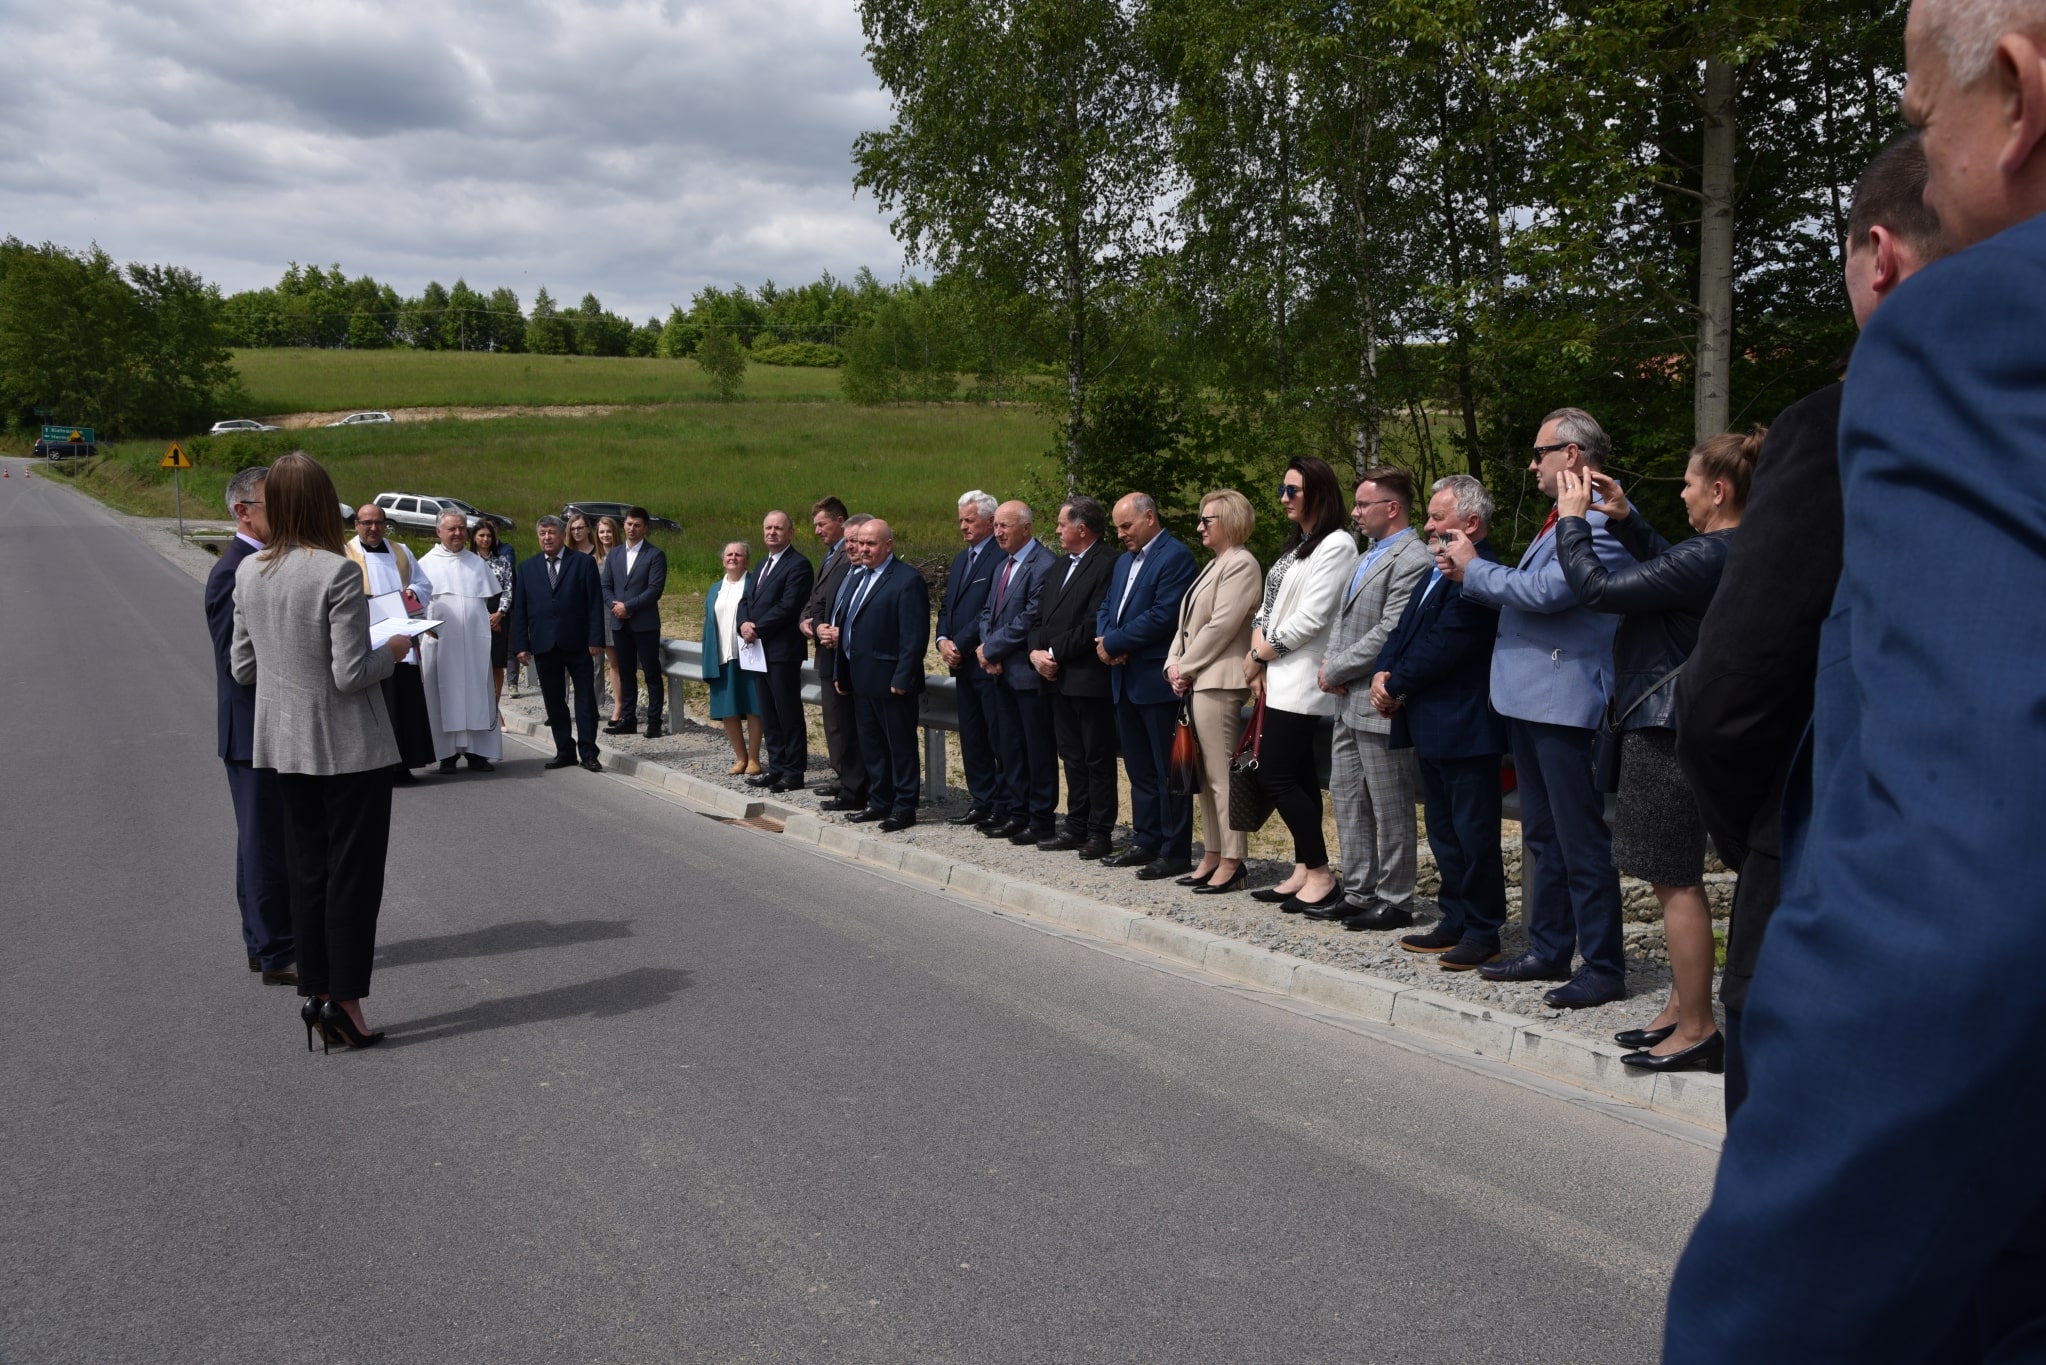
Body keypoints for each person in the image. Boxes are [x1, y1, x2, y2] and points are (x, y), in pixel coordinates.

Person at [1666, 6, 2046, 1354]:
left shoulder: (1963, 343)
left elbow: (1963, 905)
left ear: (2019, 95)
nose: (1924, 158)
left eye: (1922, 116)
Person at [1675, 132, 1945, 1115]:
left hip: (1837, 905)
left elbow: (1728, 698)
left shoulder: (1846, 428)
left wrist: (1767, 837)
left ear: (1881, 258)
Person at [1553, 433, 1753, 1071]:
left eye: (1690, 484)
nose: (1684, 494)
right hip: (1681, 726)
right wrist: (1626, 520)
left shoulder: (1712, 552)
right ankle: (1678, 1007)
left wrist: (1573, 522)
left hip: (1665, 730)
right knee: (1673, 878)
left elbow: (1598, 589)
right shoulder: (1733, 549)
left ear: (1718, 491)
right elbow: (1671, 570)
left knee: (1675, 881)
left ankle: (1696, 1028)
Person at [1441, 408, 1634, 1008]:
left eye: (1539, 453)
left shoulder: (1600, 521)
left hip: (1564, 701)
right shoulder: (1562, 520)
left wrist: (1475, 569)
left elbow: (1550, 593)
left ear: (1571, 454)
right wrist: (1475, 573)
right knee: (1545, 836)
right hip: (1532, 698)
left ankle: (1603, 966)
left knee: (1579, 841)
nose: (1532, 465)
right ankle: (1550, 949)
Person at [228, 452, 411, 1052]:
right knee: (352, 879)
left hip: (284, 745)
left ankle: (316, 992)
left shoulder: (249, 571)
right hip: (349, 747)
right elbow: (351, 672)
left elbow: (243, 667)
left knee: (307, 873)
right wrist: (395, 651)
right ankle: (346, 1004)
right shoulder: (336, 572)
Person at [1371, 476, 1510, 968]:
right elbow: (1402, 630)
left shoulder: (1481, 574)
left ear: (1470, 523)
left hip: (1466, 727)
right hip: (1430, 724)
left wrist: (1396, 686)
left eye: (1437, 517)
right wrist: (1384, 672)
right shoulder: (1438, 568)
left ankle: (1483, 930)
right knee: (1445, 832)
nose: (1428, 526)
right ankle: (1455, 918)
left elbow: (1449, 643)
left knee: (1474, 835)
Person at [1315, 467, 1433, 927]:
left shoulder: (1413, 558)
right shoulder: (1368, 554)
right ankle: (1359, 889)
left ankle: (1396, 899)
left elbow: (1389, 630)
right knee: (1348, 800)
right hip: (1347, 699)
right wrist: (1330, 665)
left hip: (1378, 701)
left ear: (1393, 507)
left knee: (1390, 805)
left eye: (1364, 504)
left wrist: (1336, 669)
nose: (1356, 512)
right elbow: (1342, 621)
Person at [1243, 459, 1360, 912]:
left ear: (1319, 493)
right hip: (1278, 673)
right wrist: (1258, 655)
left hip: (1301, 678)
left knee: (1275, 774)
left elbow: (1312, 619)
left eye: (1293, 490)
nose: (1283, 498)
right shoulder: (1299, 544)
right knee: (1300, 775)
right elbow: (1267, 607)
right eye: (1282, 488)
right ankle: (1303, 869)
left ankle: (1321, 873)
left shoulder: (1337, 545)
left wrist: (1258, 656)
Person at [205, 465, 295, 985]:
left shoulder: (259, 563)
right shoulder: (233, 570)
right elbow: (234, 664)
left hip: (266, 728)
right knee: (264, 844)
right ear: (243, 511)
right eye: (273, 504)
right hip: (252, 730)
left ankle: (265, 944)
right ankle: (275, 951)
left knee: (264, 841)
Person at [1163, 489, 1262, 892]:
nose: (1199, 527)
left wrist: (1185, 667)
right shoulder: (1214, 563)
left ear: (1231, 521)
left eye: (1207, 520)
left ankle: (1234, 860)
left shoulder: (1242, 564)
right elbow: (1186, 624)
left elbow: (1222, 626)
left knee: (1222, 776)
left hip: (1219, 681)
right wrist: (1173, 665)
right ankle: (1213, 853)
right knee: (1204, 777)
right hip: (1198, 680)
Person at [1097, 493, 1199, 878]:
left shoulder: (1175, 557)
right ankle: (1146, 840)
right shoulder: (1124, 561)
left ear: (1150, 517)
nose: (1121, 534)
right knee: (1139, 769)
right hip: (1124, 679)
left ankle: (1174, 851)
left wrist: (1115, 643)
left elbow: (1163, 615)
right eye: (1118, 527)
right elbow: (1107, 607)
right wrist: (1106, 641)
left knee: (1167, 771)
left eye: (1127, 526)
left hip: (1156, 683)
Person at [822, 518, 928, 830]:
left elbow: (913, 637)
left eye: (871, 544)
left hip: (891, 681)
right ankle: (879, 801)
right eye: (861, 543)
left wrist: (903, 677)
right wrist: (842, 672)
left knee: (900, 748)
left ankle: (904, 807)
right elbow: (849, 629)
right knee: (872, 746)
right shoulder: (858, 578)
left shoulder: (906, 580)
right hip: (860, 680)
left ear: (888, 545)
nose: (864, 549)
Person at [1029, 496, 1120, 859]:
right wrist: (1035, 653)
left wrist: (1053, 653)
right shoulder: (1058, 567)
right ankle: (1076, 825)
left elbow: (1093, 622)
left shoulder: (1108, 563)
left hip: (1087, 679)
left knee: (1097, 758)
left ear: (1082, 529)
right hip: (1055, 679)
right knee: (1071, 756)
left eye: (1061, 524)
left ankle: (1099, 831)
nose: (1056, 530)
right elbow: (1039, 618)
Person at [977, 500, 1058, 845]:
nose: (998, 532)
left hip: (1026, 676)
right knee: (1009, 748)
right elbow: (987, 612)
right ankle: (1016, 812)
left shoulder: (1044, 564)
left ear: (1026, 528)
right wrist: (986, 649)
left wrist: (991, 648)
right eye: (995, 525)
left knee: (1036, 752)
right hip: (999, 672)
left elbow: (1029, 618)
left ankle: (1040, 820)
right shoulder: (1002, 565)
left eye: (1004, 526)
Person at [345, 502, 438, 782]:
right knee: (378, 703)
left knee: (404, 703)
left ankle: (403, 764)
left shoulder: (401, 551)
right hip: (368, 638)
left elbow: (424, 584)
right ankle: (375, 766)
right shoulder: (344, 553)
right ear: (356, 525)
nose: (373, 528)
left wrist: (412, 592)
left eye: (378, 523)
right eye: (367, 523)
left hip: (401, 635)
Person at [509, 515, 605, 772]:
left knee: (585, 700)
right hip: (544, 643)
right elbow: (520, 610)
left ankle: (588, 752)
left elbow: (595, 604)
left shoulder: (583, 563)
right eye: (542, 534)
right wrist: (521, 645)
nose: (547, 538)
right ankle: (565, 750)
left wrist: (596, 638)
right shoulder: (527, 568)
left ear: (563, 534)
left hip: (578, 642)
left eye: (551, 532)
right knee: (554, 700)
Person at [935, 491, 1004, 826]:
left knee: (996, 737)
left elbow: (988, 611)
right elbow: (947, 605)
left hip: (986, 663)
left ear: (990, 522)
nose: (963, 526)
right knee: (972, 736)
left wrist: (959, 644)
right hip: (961, 664)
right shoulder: (963, 559)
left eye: (970, 520)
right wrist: (942, 640)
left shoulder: (999, 556)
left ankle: (1003, 805)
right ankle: (981, 800)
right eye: (960, 520)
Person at [419, 510, 505, 773]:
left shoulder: (477, 563)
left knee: (477, 694)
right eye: (451, 529)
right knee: (441, 697)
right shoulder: (425, 564)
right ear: (439, 532)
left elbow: (488, 601)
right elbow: (416, 605)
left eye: (461, 528)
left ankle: (477, 752)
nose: (458, 533)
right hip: (440, 644)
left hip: (474, 645)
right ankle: (446, 755)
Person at [739, 509, 815, 790]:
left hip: (783, 651)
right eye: (768, 528)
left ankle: (794, 772)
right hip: (758, 651)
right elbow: (746, 600)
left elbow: (789, 606)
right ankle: (777, 766)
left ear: (790, 532)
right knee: (768, 712)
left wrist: (757, 628)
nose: (772, 532)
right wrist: (743, 624)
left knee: (787, 712)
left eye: (778, 528)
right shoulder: (762, 564)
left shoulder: (798, 565)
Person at [807, 504, 869, 812]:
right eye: (850, 542)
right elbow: (821, 603)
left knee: (855, 730)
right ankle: (847, 782)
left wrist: (838, 630)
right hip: (832, 657)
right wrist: (818, 625)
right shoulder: (842, 569)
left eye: (857, 541)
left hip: (859, 664)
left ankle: (857, 786)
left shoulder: (866, 571)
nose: (852, 548)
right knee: (837, 725)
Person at [600, 507, 669, 739]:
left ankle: (654, 722)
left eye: (637, 525)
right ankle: (628, 719)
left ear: (645, 528)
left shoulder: (655, 555)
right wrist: (614, 606)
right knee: (626, 672)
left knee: (651, 673)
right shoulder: (615, 554)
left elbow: (654, 590)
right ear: (624, 525)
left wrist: (628, 606)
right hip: (619, 623)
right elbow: (605, 586)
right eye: (629, 524)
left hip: (645, 624)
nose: (632, 528)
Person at [702, 540, 764, 774]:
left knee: (753, 706)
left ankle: (754, 758)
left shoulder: (754, 584)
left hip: (748, 655)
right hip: (721, 655)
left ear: (746, 561)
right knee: (728, 709)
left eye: (738, 555)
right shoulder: (714, 589)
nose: (733, 558)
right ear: (723, 560)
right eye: (729, 554)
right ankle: (740, 758)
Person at [470, 519, 516, 717]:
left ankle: (494, 709)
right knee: (478, 665)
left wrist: (499, 614)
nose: (485, 539)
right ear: (474, 537)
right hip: (475, 616)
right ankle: (479, 707)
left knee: (497, 665)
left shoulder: (502, 560)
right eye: (481, 535)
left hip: (499, 615)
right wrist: (484, 618)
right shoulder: (468, 561)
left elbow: (508, 588)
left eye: (489, 535)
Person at [594, 516, 623, 726]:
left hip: (620, 612)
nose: (605, 535)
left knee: (624, 663)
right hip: (602, 615)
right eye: (601, 531)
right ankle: (618, 705)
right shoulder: (594, 559)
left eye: (608, 531)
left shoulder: (622, 556)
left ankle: (624, 706)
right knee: (613, 663)